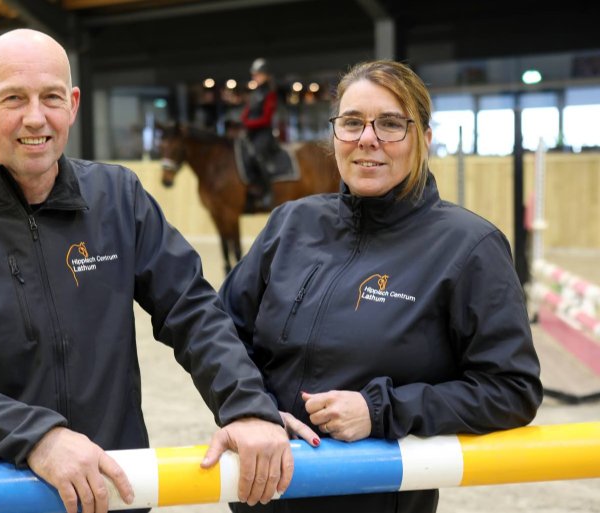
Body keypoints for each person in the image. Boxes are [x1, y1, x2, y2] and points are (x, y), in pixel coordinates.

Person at [0, 28, 293, 513]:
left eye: (51, 97)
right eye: (14, 98)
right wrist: (37, 438)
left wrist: (245, 404)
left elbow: (192, 309)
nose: (36, 117)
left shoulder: (119, 198)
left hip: (112, 489)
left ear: (72, 104)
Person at [218, 60, 543, 513]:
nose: (367, 138)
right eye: (352, 122)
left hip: (373, 499)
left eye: (390, 124)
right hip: (262, 495)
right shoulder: (291, 222)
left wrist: (381, 410)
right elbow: (222, 330)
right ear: (335, 135)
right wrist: (251, 407)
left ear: (424, 140)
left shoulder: (470, 247)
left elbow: (511, 389)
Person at [241, 57, 280, 208]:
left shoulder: (270, 94)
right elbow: (246, 112)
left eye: (257, 74)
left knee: (256, 156)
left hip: (264, 134)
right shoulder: (255, 94)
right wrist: (244, 119)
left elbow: (266, 119)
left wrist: (248, 123)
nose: (254, 77)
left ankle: (267, 191)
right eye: (254, 74)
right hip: (251, 133)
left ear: (265, 75)